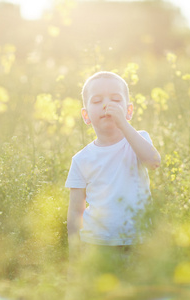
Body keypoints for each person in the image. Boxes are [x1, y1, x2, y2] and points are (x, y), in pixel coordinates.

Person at [65, 71, 161, 272]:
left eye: (116, 100)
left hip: (139, 240)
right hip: (97, 243)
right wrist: (75, 252)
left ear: (129, 111)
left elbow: (153, 161)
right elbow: (75, 211)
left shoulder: (137, 140)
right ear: (86, 115)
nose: (107, 105)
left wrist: (124, 125)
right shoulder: (81, 159)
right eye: (97, 100)